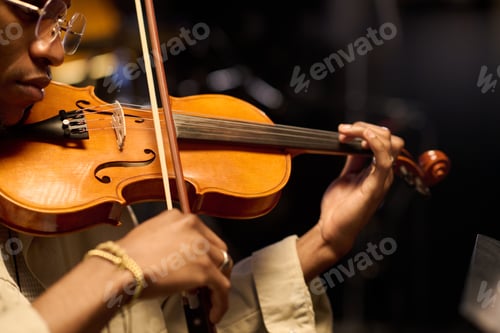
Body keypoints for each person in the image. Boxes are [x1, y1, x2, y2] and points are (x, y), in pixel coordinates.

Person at [0, 0, 404, 332]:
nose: (53, 50)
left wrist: (326, 241)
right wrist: (120, 269)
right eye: (33, 14)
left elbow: (169, 326)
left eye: (58, 21)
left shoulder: (68, 189)